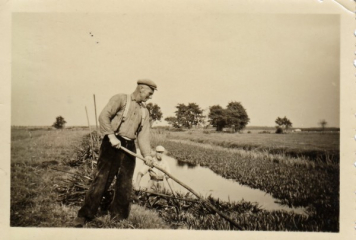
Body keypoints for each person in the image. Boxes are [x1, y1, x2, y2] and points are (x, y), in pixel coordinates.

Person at [73, 79, 157, 227]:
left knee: (125, 184)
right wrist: (111, 136)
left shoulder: (145, 111)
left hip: (129, 146)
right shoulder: (121, 99)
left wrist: (148, 155)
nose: (150, 97)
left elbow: (143, 136)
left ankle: (119, 218)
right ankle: (85, 215)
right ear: (142, 89)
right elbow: (103, 116)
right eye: (149, 93)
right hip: (112, 144)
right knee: (102, 179)